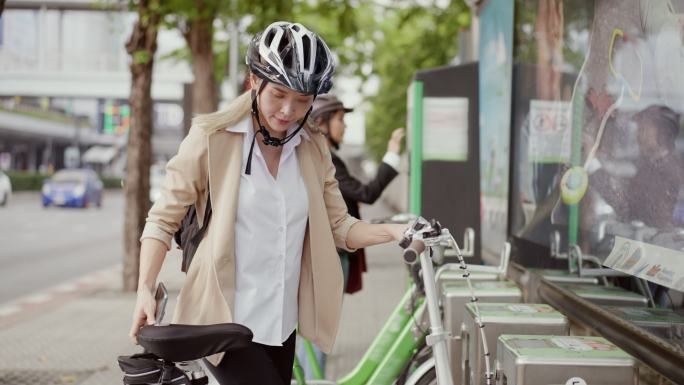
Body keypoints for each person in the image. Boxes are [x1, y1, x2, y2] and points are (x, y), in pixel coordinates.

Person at [128, 21, 408, 385]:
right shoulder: (213, 137)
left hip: (282, 325)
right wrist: (145, 289)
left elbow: (340, 226)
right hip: (225, 325)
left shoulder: (312, 148)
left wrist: (396, 231)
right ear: (253, 81)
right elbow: (163, 219)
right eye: (278, 94)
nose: (288, 110)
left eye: (302, 100)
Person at [310, 94, 405, 293]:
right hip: (334, 253)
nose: (344, 126)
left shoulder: (322, 158)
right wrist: (392, 155)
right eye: (340, 119)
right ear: (321, 121)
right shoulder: (327, 160)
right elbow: (367, 193)